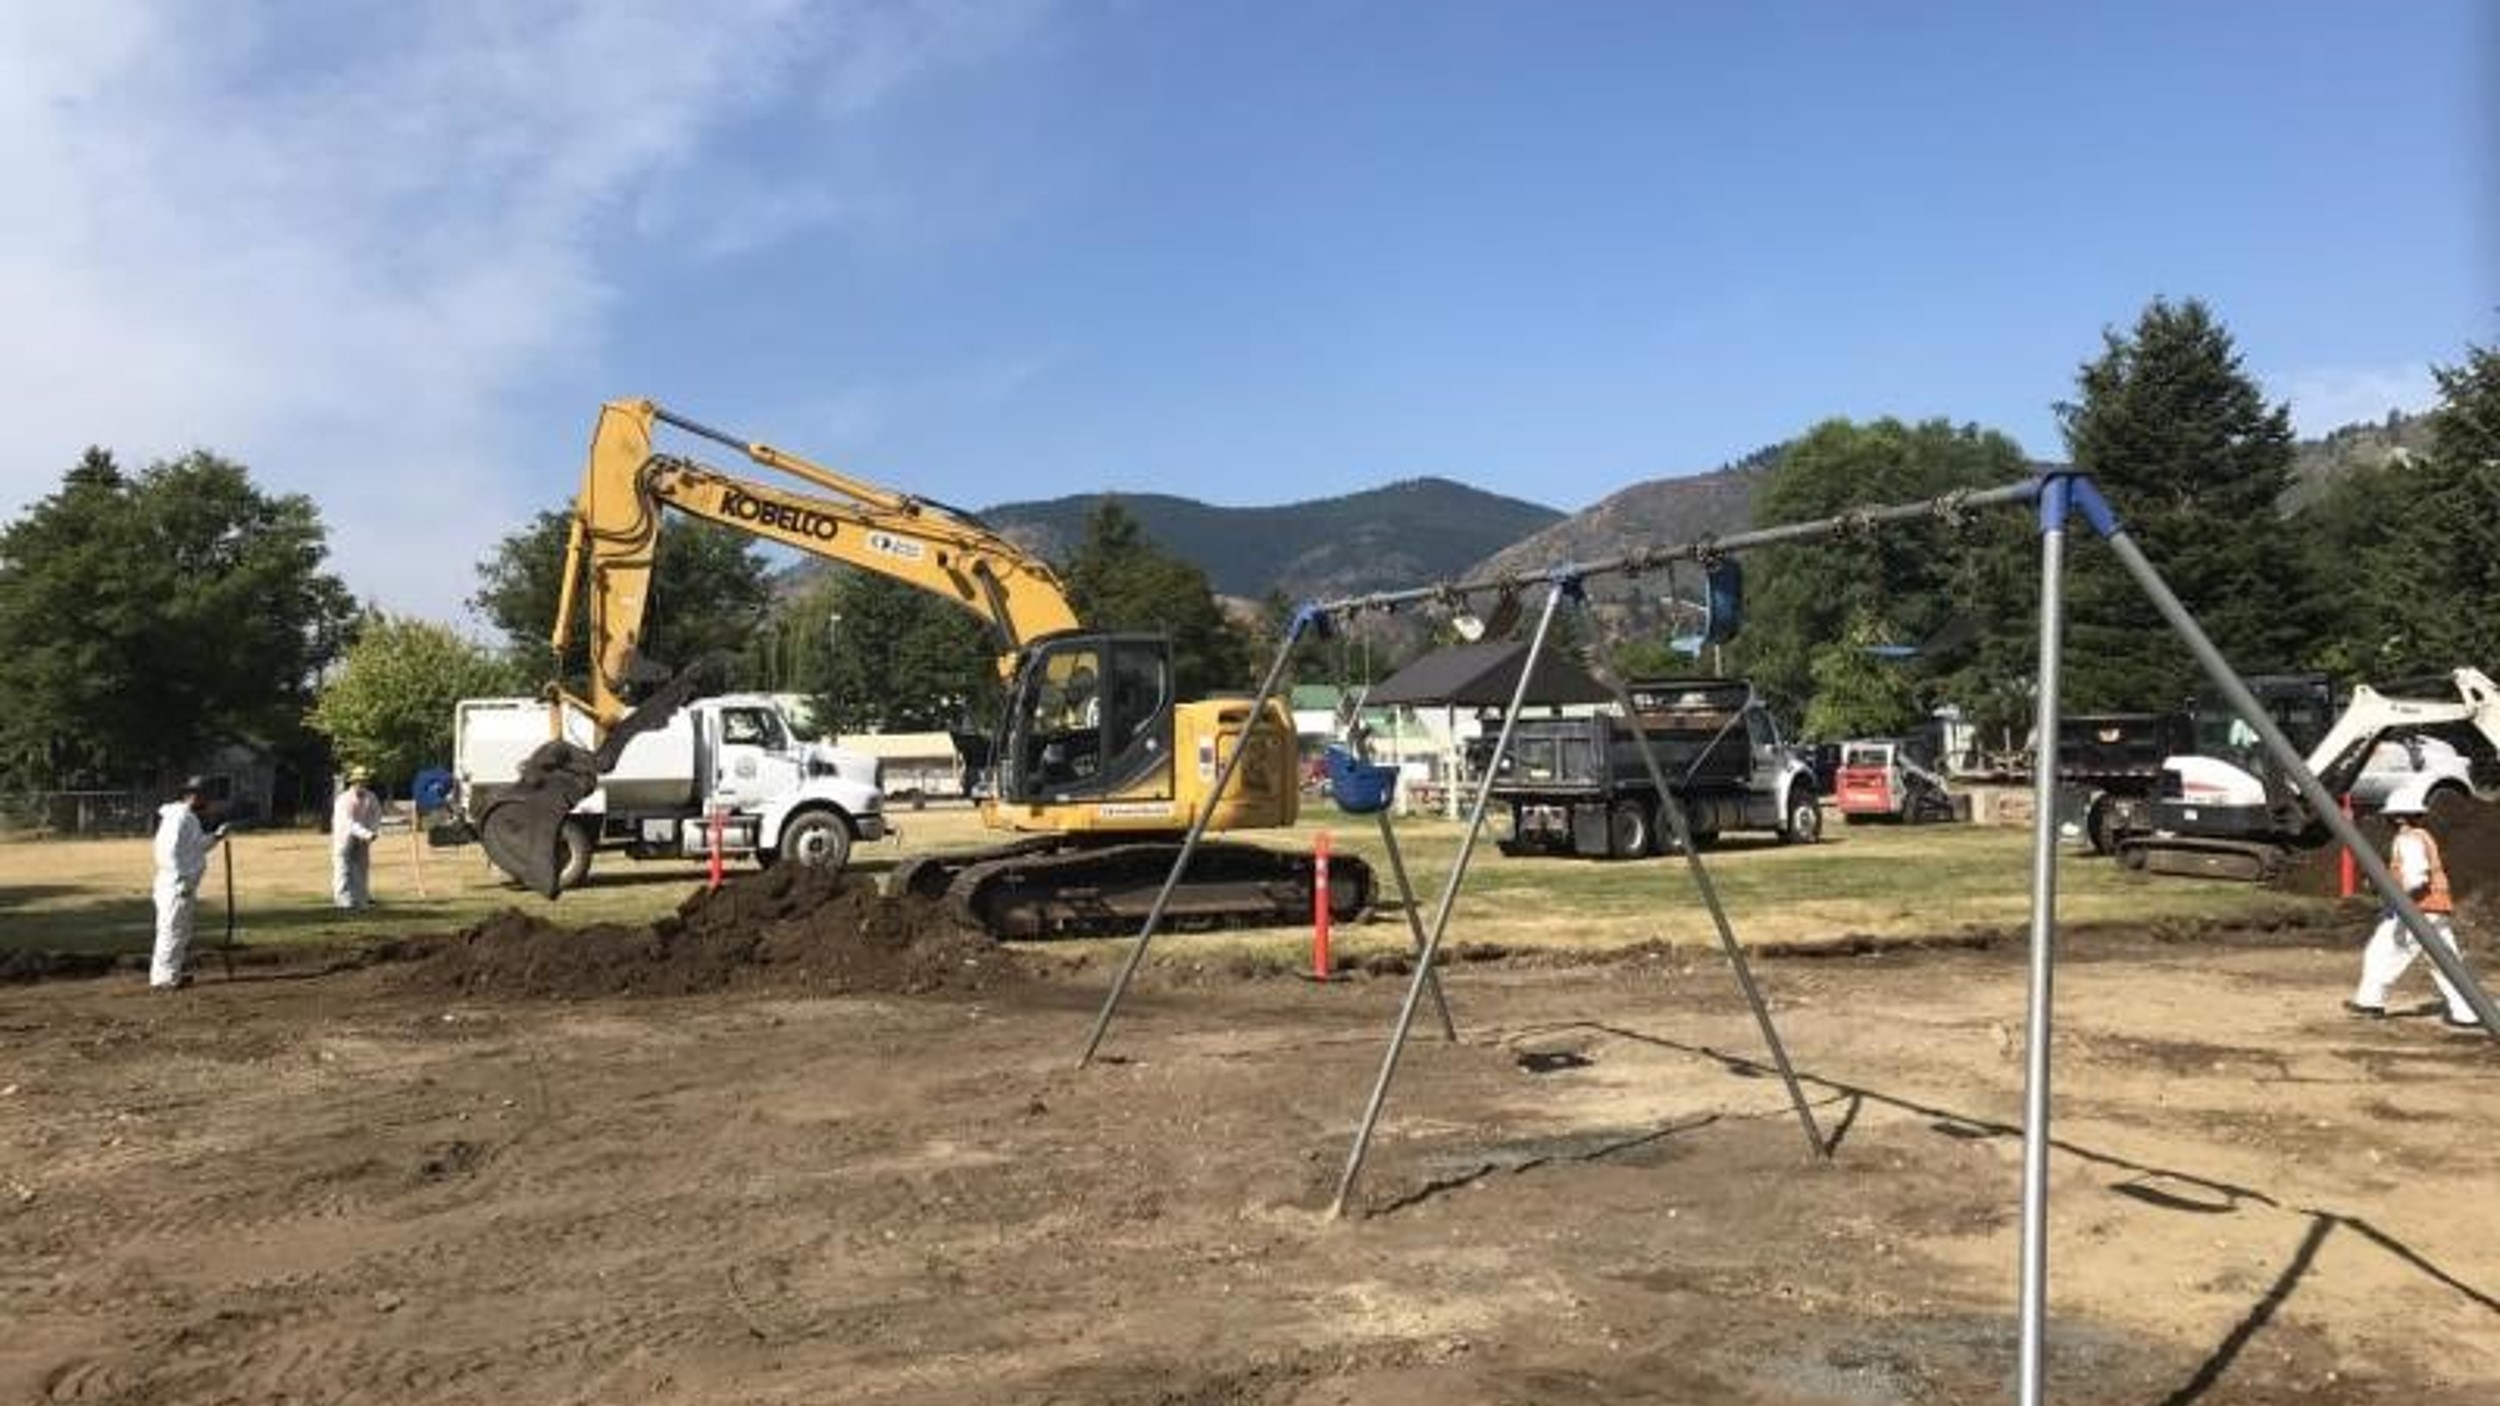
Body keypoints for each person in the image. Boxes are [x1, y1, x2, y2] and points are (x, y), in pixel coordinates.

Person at [2347, 781, 2483, 1031]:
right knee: (2443, 961)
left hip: (2416, 909)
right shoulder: (2421, 837)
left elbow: (2417, 877)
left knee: (2384, 952)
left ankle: (2370, 1002)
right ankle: (2466, 1013)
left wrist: (2392, 892)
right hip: (2428, 908)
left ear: (2399, 818)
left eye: (2390, 817)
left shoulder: (2408, 840)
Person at [150, 777, 227, 990]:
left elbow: (195, 847)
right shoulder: (180, 817)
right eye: (206, 796)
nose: (209, 801)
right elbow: (168, 851)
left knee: (179, 932)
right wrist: (181, 878)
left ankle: (169, 974)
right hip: (176, 884)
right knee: (171, 931)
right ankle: (164, 979)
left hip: (181, 884)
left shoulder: (187, 818)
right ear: (193, 796)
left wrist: (217, 837)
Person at [331, 765, 383, 910]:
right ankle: (342, 900)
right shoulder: (343, 800)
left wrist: (371, 830)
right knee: (342, 867)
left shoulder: (371, 797)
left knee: (362, 867)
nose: (362, 784)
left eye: (365, 781)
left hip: (363, 837)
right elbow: (348, 823)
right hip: (344, 837)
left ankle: (362, 897)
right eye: (359, 781)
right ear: (353, 782)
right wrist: (366, 834)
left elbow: (376, 815)